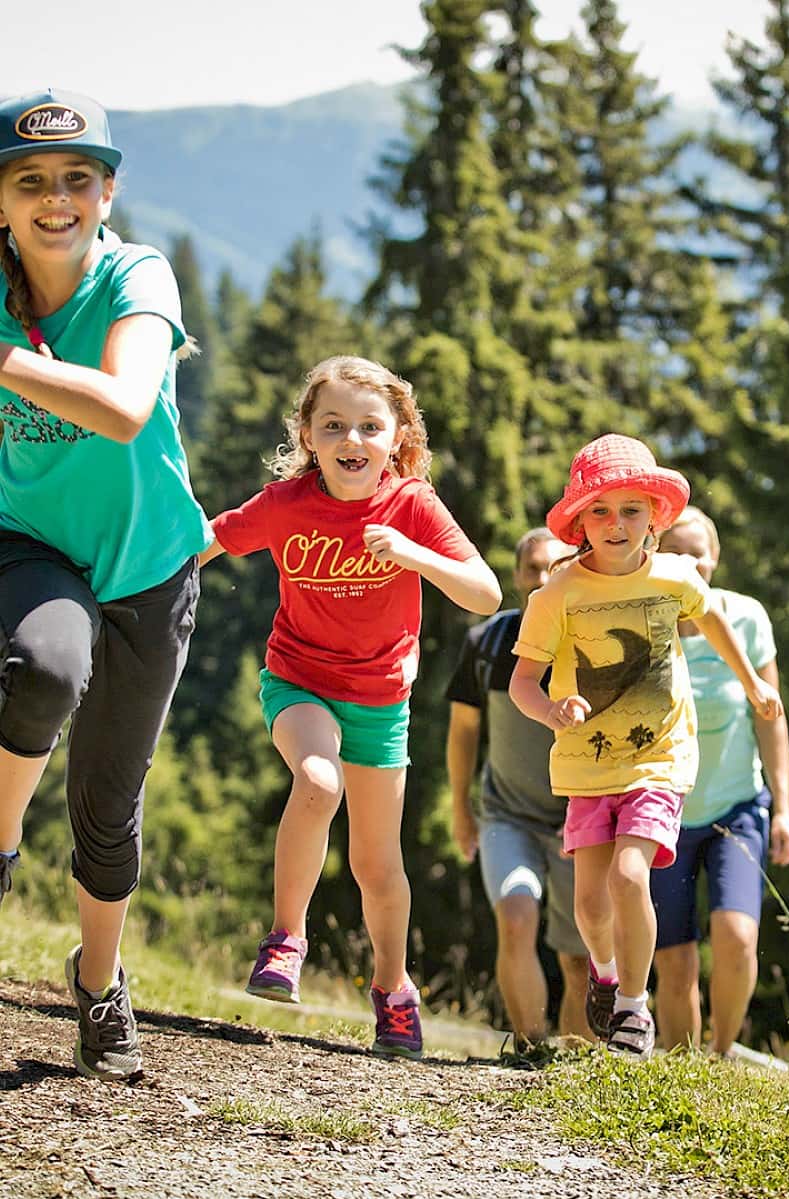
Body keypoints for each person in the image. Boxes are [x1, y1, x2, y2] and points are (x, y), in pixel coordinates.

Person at [199, 355, 501, 1061]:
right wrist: (135, 586)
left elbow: (484, 593)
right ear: (307, 435)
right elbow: (208, 541)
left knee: (377, 864)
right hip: (299, 681)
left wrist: (411, 554)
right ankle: (286, 940)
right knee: (317, 780)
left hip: (380, 700)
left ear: (397, 436)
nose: (352, 441)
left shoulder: (413, 505)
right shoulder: (286, 504)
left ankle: (393, 993)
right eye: (333, 426)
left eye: (370, 426)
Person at [0, 89, 209, 1080]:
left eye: (77, 179)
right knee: (42, 665)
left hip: (150, 566)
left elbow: (126, 408)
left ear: (108, 190)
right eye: (29, 180)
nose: (54, 199)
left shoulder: (138, 274)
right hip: (28, 543)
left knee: (108, 809)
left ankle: (98, 975)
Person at [508, 434, 782, 1058]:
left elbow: (713, 619)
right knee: (588, 905)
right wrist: (553, 709)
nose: (616, 524)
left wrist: (754, 686)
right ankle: (605, 976)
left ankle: (633, 1007)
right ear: (578, 519)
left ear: (654, 517)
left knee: (632, 875)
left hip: (661, 757)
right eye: (600, 510)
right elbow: (522, 682)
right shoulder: (557, 596)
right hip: (586, 761)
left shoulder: (674, 575)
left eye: (631, 510)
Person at [650, 506, 789, 1056]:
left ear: (715, 559)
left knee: (737, 938)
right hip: (663, 811)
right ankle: (681, 1068)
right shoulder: (645, 622)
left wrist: (783, 808)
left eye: (700, 552)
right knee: (675, 958)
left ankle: (719, 1055)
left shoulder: (747, 618)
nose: (691, 562)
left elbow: (771, 714)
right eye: (677, 551)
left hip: (737, 806)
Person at [445, 527, 591, 1052]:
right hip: (507, 815)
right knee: (515, 913)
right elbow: (463, 732)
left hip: (582, 822)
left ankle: (578, 1068)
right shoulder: (486, 643)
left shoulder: (592, 639)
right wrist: (461, 809)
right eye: (532, 568)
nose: (543, 578)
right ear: (516, 577)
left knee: (580, 959)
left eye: (555, 566)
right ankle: (530, 1051)